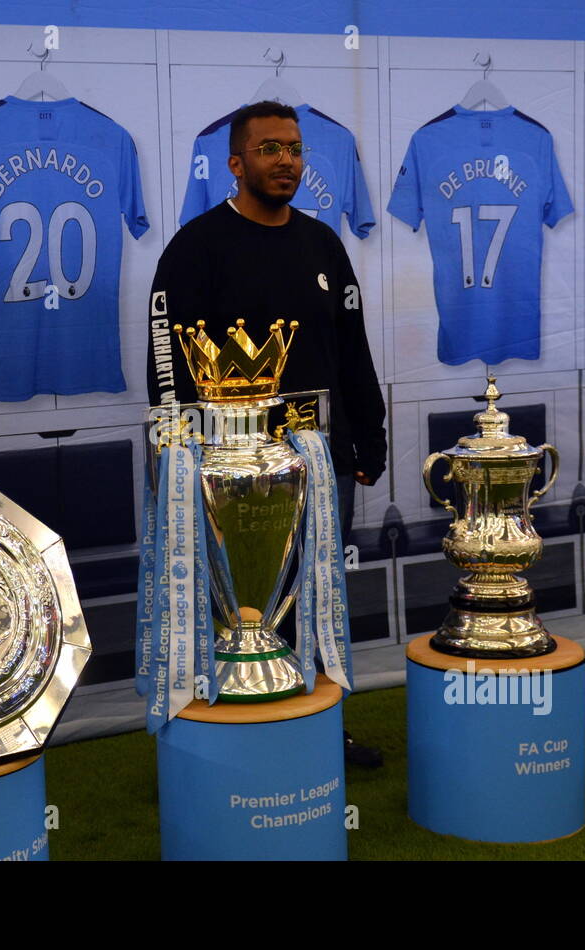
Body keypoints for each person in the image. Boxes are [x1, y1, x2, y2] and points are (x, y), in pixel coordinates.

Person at [146, 100, 387, 766]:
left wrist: (370, 435)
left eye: (295, 149)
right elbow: (166, 358)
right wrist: (176, 454)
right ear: (235, 163)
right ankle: (235, 743)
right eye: (271, 149)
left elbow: (352, 350)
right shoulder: (195, 248)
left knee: (317, 594)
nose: (287, 161)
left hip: (320, 457)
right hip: (228, 468)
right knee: (240, 604)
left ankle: (316, 730)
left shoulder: (323, 245)